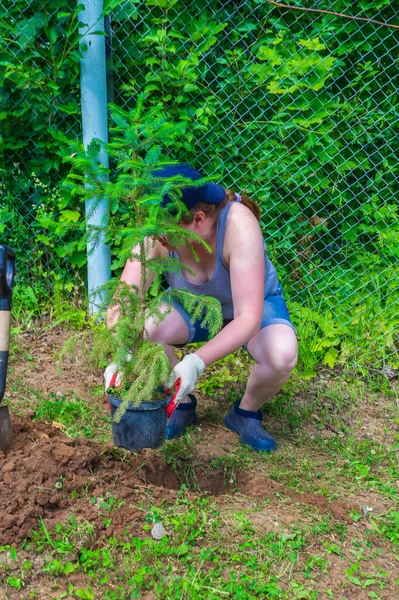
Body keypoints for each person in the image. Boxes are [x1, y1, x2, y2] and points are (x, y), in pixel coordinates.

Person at [105, 164, 298, 452]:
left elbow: (248, 317)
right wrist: (123, 353)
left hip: (249, 306)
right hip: (193, 305)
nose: (157, 237)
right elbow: (122, 301)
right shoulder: (158, 233)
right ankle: (180, 403)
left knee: (281, 354)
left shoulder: (239, 226)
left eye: (165, 231)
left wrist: (196, 363)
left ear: (197, 220)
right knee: (150, 326)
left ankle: (245, 413)